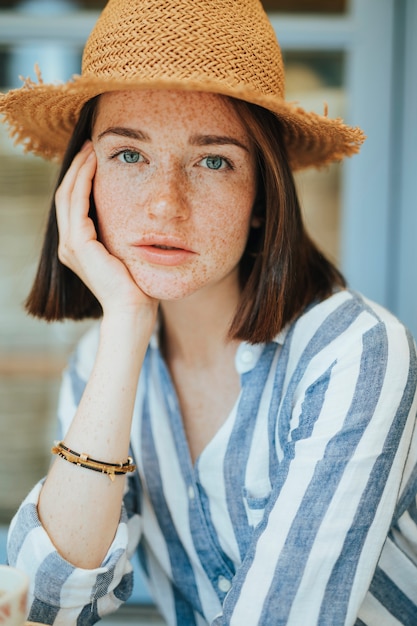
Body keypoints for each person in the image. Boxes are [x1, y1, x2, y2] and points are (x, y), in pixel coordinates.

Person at [1, 0, 417, 624]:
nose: (165, 206)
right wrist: (124, 324)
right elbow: (53, 607)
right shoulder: (103, 361)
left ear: (261, 195)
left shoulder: (354, 351)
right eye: (129, 155)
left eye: (214, 160)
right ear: (81, 184)